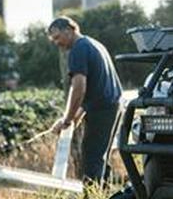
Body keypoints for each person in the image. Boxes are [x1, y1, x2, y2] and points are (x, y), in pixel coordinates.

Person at [48, 16, 122, 186]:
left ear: (69, 30)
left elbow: (79, 87)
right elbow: (93, 90)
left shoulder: (78, 49)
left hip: (102, 110)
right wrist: (74, 117)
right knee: (100, 156)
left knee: (91, 158)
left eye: (57, 37)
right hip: (113, 106)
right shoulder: (93, 44)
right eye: (53, 40)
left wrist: (66, 119)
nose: (56, 43)